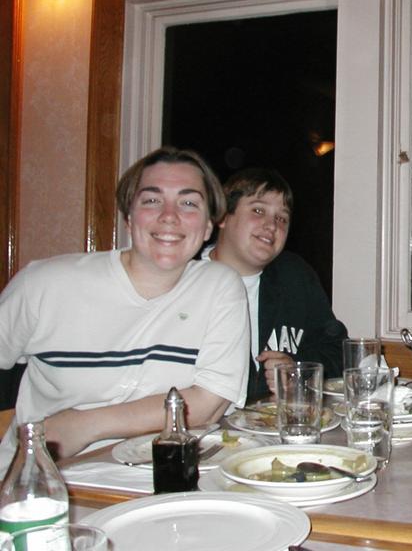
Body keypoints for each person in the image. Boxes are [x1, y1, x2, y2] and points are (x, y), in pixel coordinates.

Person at [0, 147, 249, 475]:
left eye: (188, 203)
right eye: (152, 200)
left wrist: (83, 425)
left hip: (162, 478)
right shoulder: (45, 284)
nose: (169, 215)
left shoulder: (220, 287)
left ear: (207, 229)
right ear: (129, 218)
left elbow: (208, 403)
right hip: (43, 480)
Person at [203, 167, 346, 402]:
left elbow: (337, 351)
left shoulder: (294, 276)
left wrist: (297, 369)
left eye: (282, 218)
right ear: (222, 217)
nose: (272, 225)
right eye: (258, 210)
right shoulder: (186, 281)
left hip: (274, 427)